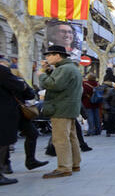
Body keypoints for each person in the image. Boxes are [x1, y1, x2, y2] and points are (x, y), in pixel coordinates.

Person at [38, 45, 83, 179]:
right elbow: (59, 83)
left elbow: (55, 85)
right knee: (71, 137)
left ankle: (64, 167)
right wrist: (48, 72)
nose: (47, 58)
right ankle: (74, 163)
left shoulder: (64, 69)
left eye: (49, 55)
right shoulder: (70, 68)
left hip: (60, 108)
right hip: (69, 108)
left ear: (58, 55)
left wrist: (41, 76)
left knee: (60, 139)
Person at [0, 62, 37, 185]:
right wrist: (22, 84)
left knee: (31, 133)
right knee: (4, 141)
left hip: (17, 112)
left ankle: (30, 161)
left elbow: (28, 91)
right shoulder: (3, 72)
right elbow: (22, 87)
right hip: (7, 112)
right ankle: (3, 169)